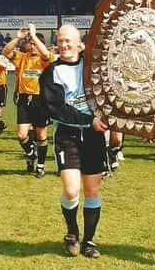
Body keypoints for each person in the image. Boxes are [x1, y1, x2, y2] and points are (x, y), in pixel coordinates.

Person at [40, 24, 109, 258]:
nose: (64, 44)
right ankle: (72, 232)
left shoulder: (94, 69)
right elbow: (57, 109)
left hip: (94, 136)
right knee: (71, 191)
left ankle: (89, 241)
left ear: (80, 44)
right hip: (67, 135)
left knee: (92, 189)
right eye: (60, 40)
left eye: (68, 40)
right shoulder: (51, 72)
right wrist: (89, 121)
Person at [3, 23, 55, 177]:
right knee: (21, 135)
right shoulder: (22, 57)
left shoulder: (45, 58)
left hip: (40, 100)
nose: (32, 46)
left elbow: (45, 54)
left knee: (41, 136)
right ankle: (31, 153)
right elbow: (6, 52)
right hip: (25, 99)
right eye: (30, 44)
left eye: (34, 44)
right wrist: (18, 38)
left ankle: (40, 165)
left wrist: (33, 35)